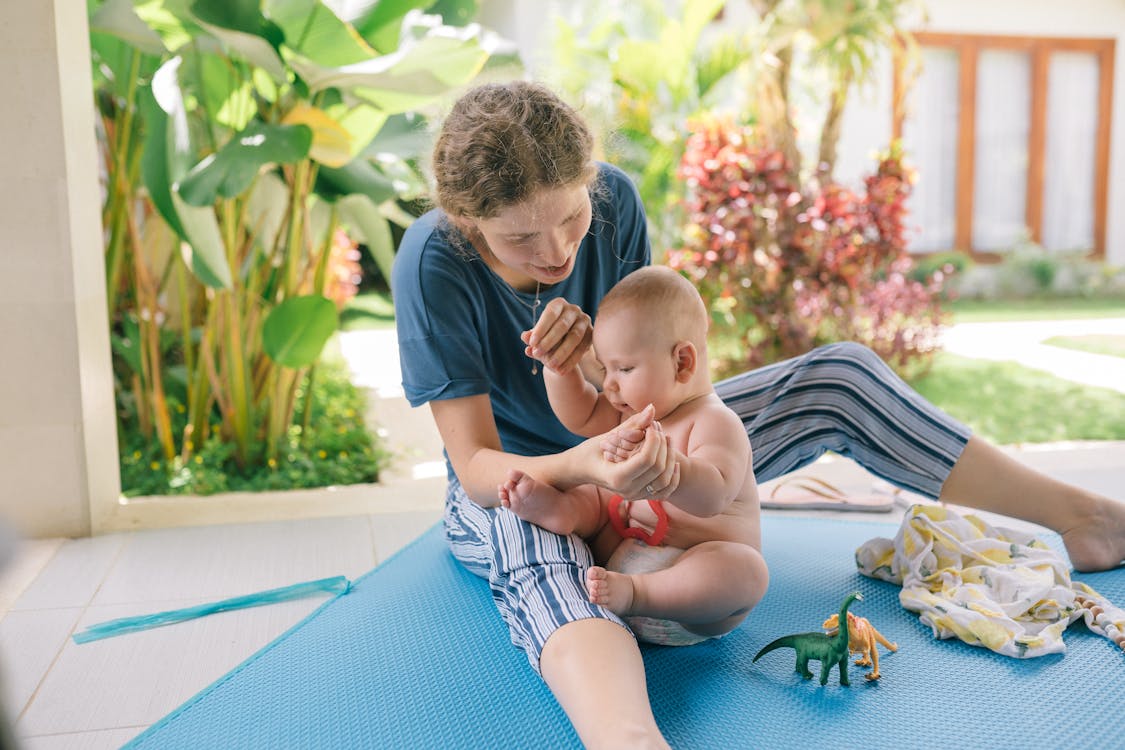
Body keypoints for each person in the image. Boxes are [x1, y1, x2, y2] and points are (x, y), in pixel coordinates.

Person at [392, 79, 1125, 749]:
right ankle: (628, 738)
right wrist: (584, 468)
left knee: (837, 373)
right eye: (522, 238)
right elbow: (478, 469)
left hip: (633, 440)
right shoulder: (433, 261)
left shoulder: (614, 201)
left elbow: (642, 370)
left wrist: (603, 389)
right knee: (541, 543)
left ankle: (1082, 517)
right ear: (467, 221)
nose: (555, 250)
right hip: (524, 481)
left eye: (571, 218)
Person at [497, 265, 768, 647]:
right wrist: (561, 369)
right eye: (605, 368)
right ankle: (563, 512)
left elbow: (715, 496)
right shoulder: (627, 412)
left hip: (689, 596)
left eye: (623, 368)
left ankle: (639, 593)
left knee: (747, 572)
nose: (608, 383)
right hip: (616, 562)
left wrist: (672, 471)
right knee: (597, 489)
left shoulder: (714, 422)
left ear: (682, 363)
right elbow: (582, 414)